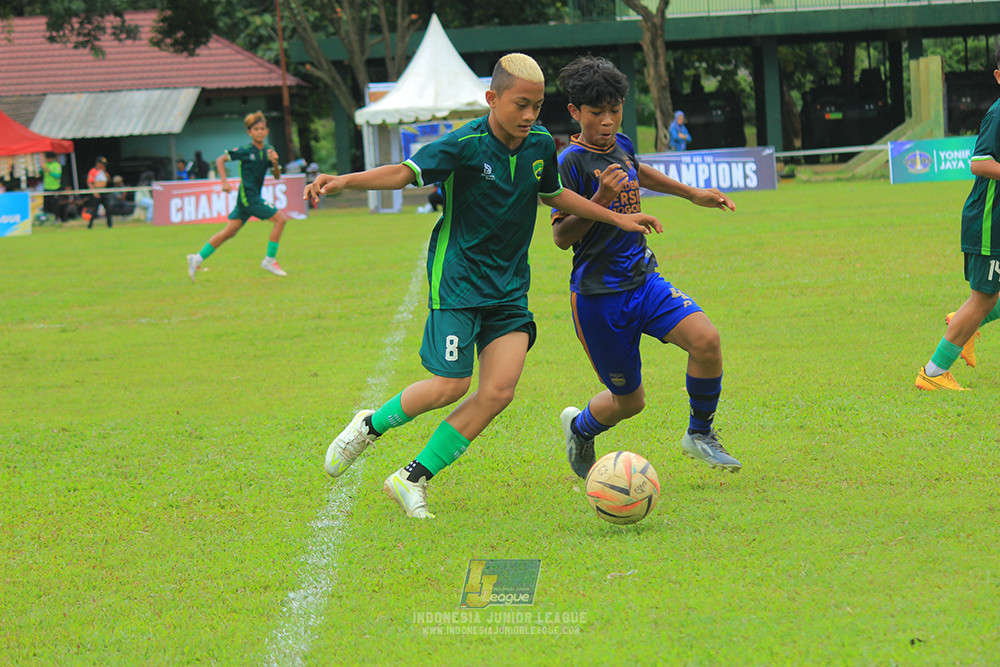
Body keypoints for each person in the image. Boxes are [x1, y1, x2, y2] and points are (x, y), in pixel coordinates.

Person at [304, 53, 662, 519]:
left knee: (498, 392)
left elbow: (554, 194)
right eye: (520, 105)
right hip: (458, 280)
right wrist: (344, 181)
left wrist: (615, 216)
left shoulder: (538, 145)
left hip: (509, 287)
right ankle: (368, 426)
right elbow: (404, 173)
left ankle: (411, 478)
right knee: (450, 385)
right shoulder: (464, 144)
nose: (530, 116)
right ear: (492, 99)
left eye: (536, 106)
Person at [550, 55, 741, 477]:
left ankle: (700, 433)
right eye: (596, 113)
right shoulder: (568, 163)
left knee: (706, 340)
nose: (607, 121)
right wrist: (599, 199)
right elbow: (561, 237)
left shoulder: (622, 144)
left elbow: (638, 170)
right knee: (629, 402)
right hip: (600, 300)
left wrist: (691, 193)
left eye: (614, 111)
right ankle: (580, 429)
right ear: (574, 112)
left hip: (643, 281)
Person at [915, 46, 1000, 391]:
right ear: (998, 77)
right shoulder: (998, 114)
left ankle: (966, 321)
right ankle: (933, 373)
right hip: (989, 224)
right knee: (983, 298)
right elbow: (979, 162)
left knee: (983, 301)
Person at [186, 111, 290, 281]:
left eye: (262, 128)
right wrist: (224, 182)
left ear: (267, 131)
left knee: (229, 232)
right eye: (256, 129)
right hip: (248, 197)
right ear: (249, 132)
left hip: (249, 198)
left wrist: (276, 162)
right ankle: (269, 260)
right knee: (280, 220)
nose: (260, 132)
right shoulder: (245, 150)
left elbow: (277, 175)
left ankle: (196, 258)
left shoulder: (269, 151)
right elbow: (220, 160)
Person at [84, 156, 112, 228]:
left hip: (104, 192)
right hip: (97, 192)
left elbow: (108, 180)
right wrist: (94, 192)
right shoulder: (93, 171)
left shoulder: (104, 172)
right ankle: (90, 225)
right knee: (94, 209)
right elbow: (90, 182)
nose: (103, 166)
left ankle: (110, 225)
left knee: (108, 208)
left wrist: (105, 172)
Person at [39, 152, 62, 223]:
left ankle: (57, 219)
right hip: (47, 187)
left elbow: (57, 176)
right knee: (46, 205)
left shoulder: (56, 165)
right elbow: (40, 173)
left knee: (55, 205)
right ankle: (47, 220)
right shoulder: (46, 165)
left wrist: (48, 170)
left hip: (55, 187)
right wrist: (42, 169)